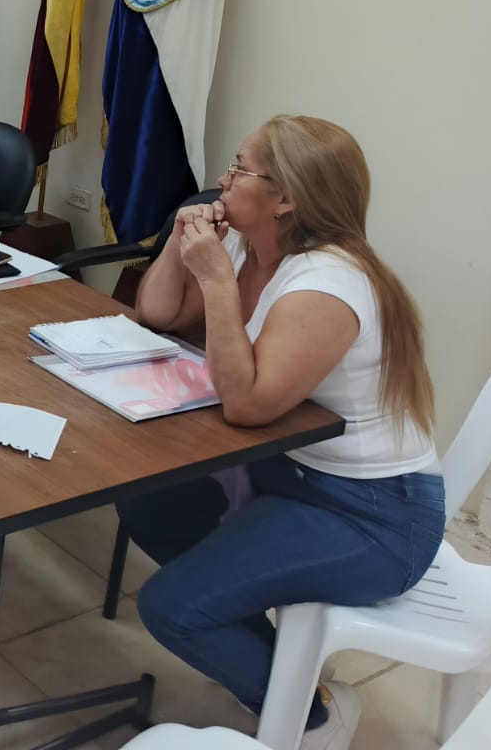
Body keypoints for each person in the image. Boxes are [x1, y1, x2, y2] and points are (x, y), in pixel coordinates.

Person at [116, 116, 443, 749]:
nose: (223, 180)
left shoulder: (327, 283)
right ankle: (284, 671)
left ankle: (312, 717)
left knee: (172, 607)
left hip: (374, 515)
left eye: (239, 169)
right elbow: (156, 313)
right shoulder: (248, 247)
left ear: (286, 197)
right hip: (288, 473)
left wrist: (214, 278)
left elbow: (247, 405)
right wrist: (182, 248)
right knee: (150, 509)